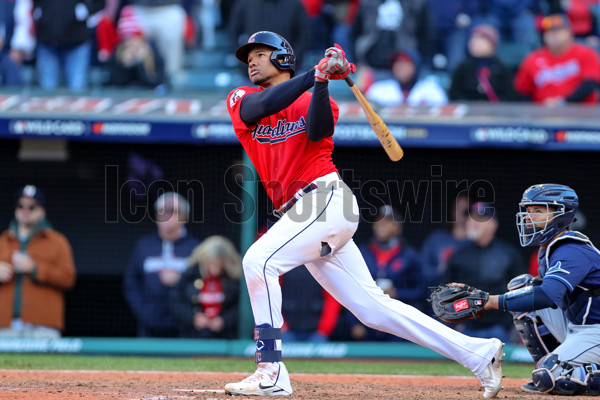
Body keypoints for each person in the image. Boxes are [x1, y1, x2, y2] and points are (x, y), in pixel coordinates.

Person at [223, 30, 504, 398]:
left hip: (324, 200)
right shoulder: (240, 98)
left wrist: (321, 81)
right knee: (374, 310)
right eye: (248, 58)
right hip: (302, 216)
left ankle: (271, 370)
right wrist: (316, 72)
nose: (252, 62)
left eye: (260, 54)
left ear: (282, 59)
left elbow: (320, 127)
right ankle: (481, 355)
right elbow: (258, 109)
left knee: (258, 261)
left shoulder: (315, 99)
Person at [474, 184, 600, 395]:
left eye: (538, 211)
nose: (528, 217)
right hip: (580, 325)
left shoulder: (572, 249)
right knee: (522, 288)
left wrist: (489, 301)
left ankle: (555, 368)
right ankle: (550, 362)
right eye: (528, 211)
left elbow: (546, 296)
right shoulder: (550, 247)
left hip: (595, 331)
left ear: (561, 215)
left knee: (549, 377)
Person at [0, 185, 76, 338]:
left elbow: (68, 278)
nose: (25, 210)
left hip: (43, 327)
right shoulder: (3, 240)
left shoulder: (57, 241)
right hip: (5, 327)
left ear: (42, 211)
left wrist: (35, 268)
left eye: (32, 206)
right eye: (21, 206)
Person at [444, 202, 525, 343]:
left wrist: (508, 325)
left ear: (493, 224)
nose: (473, 223)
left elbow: (520, 292)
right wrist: (455, 323)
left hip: (498, 329)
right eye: (471, 218)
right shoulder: (458, 255)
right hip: (465, 328)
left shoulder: (509, 254)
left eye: (480, 219)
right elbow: (446, 290)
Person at [123, 192, 200, 338]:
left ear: (184, 216)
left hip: (184, 326)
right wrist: (143, 312)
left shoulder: (195, 248)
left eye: (173, 211)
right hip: (149, 324)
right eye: (162, 211)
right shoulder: (144, 246)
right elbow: (131, 284)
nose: (167, 217)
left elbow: (203, 284)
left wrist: (180, 280)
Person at [349, 205, 425, 341]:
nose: (382, 224)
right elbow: (349, 289)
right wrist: (354, 323)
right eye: (379, 220)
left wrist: (397, 293)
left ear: (398, 227)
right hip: (367, 323)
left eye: (388, 220)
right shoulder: (361, 251)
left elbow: (421, 291)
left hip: (398, 323)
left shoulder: (409, 255)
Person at [514, 14, 600, 105]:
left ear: (569, 32)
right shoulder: (532, 59)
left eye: (557, 31)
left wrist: (562, 102)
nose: (552, 35)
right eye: (549, 31)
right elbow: (523, 92)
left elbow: (590, 84)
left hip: (581, 113)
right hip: (542, 115)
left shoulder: (586, 53)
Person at [169, 235, 241, 339]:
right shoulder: (190, 274)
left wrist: (224, 320)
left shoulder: (234, 278)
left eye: (218, 264)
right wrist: (193, 318)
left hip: (226, 336)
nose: (214, 270)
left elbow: (242, 306)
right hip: (192, 336)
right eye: (210, 264)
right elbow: (175, 301)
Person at [33, 0, 105, 91]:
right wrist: (38, 10)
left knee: (77, 89)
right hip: (47, 40)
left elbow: (100, 3)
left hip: (77, 41)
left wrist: (85, 10)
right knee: (47, 91)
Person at [449, 24, 515, 102]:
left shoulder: (502, 68)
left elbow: (509, 96)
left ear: (491, 44)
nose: (474, 42)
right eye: (472, 38)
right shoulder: (463, 67)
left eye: (481, 39)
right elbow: (454, 94)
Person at [365, 49, 448, 106]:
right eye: (396, 63)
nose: (399, 67)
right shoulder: (378, 89)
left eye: (404, 63)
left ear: (415, 67)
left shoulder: (431, 89)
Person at [421, 193, 469, 288]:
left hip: (465, 295)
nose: (462, 213)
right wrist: (438, 271)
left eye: (466, 210)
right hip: (437, 292)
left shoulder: (475, 242)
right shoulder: (437, 238)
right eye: (458, 208)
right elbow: (422, 268)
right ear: (452, 211)